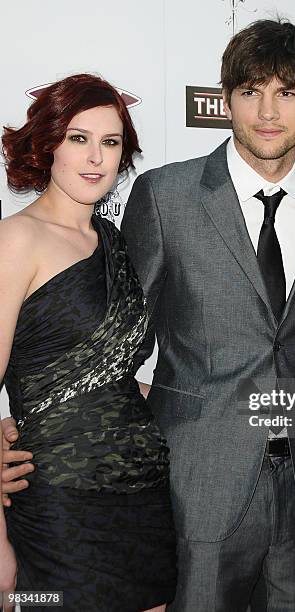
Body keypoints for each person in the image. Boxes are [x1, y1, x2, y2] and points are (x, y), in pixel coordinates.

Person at [121, 19, 295, 612]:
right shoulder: (166, 197)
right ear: (225, 102)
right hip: (201, 486)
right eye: (251, 92)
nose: (268, 112)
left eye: (287, 93)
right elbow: (118, 345)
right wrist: (38, 422)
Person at [0, 74, 177, 612]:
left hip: (144, 497)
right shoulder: (17, 239)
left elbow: (106, 370)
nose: (95, 157)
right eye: (79, 138)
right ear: (48, 144)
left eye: (110, 141)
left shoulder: (115, 244)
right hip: (58, 502)